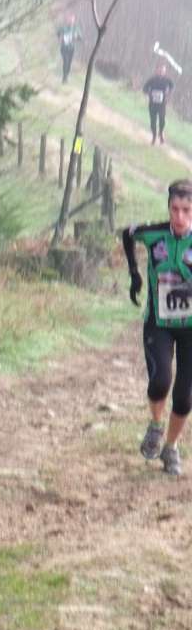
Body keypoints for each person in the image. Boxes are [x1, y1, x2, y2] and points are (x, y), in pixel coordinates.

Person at [122, 179, 192, 476]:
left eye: (186, 210)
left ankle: (171, 448)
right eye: (175, 209)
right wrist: (134, 274)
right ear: (168, 208)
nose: (180, 217)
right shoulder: (154, 233)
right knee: (160, 380)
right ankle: (155, 425)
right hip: (158, 323)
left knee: (185, 396)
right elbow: (127, 233)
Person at [142, 63, 174, 145]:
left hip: (162, 104)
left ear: (165, 72)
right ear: (156, 71)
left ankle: (161, 133)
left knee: (162, 119)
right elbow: (144, 88)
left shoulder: (167, 80)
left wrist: (168, 92)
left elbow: (172, 87)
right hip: (152, 103)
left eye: (162, 71)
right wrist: (149, 93)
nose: (161, 72)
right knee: (153, 121)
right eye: (159, 70)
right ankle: (154, 136)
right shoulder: (152, 79)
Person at [57, 14, 81, 83]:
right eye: (69, 19)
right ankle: (64, 77)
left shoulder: (76, 28)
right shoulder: (63, 28)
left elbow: (80, 38)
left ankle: (66, 75)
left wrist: (76, 37)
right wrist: (61, 37)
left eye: (72, 19)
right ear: (67, 20)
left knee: (69, 63)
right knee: (65, 61)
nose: (70, 21)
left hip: (71, 48)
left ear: (74, 20)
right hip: (64, 47)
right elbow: (58, 34)